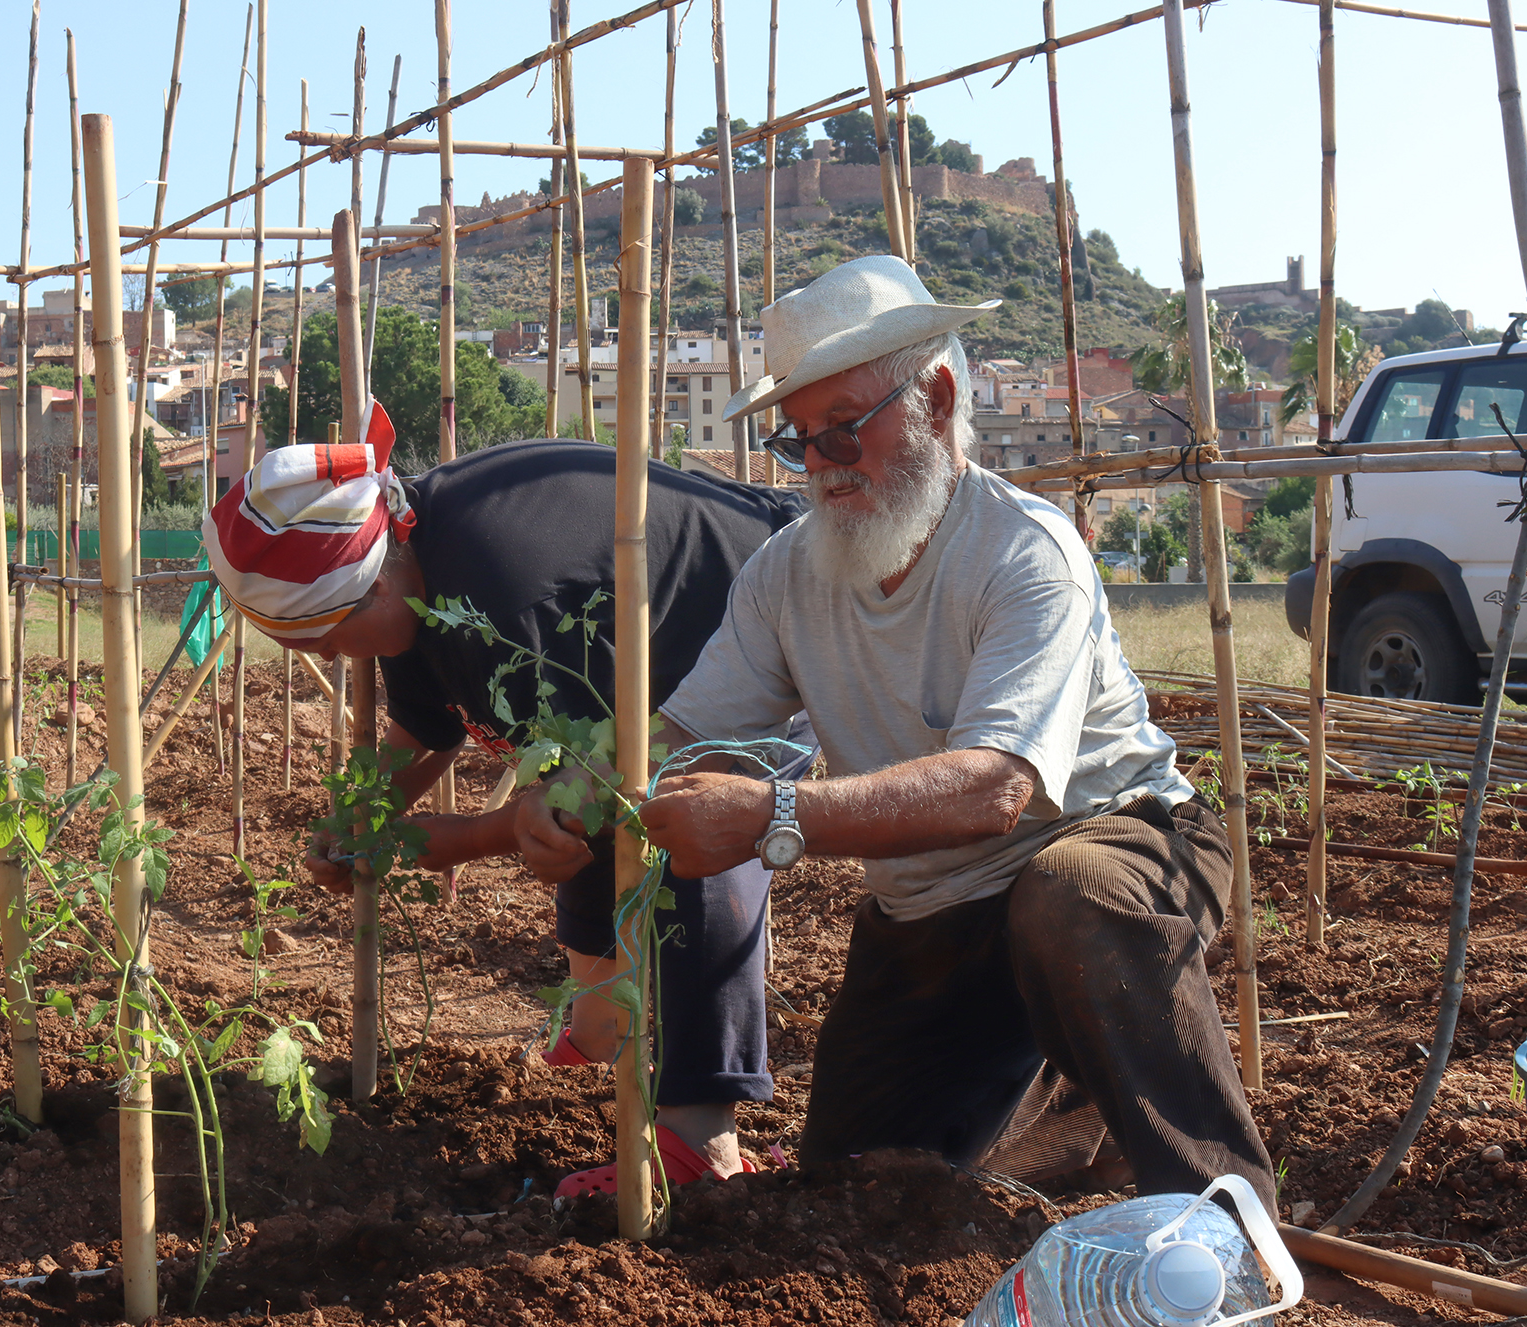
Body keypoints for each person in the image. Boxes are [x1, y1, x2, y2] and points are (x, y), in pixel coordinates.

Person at [519, 255, 1275, 1205]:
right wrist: (567, 786)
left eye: (843, 432)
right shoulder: (786, 576)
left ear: (939, 396)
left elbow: (998, 787)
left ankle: (1227, 1219)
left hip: (1110, 843)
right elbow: (681, 733)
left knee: (1068, 892)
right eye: (801, 444)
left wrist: (771, 815)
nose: (824, 467)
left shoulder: (1025, 551)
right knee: (858, 1184)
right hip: (929, 909)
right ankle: (1083, 1115)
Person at [203, 420, 809, 1193]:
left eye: (328, 639)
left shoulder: (510, 594)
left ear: (376, 581)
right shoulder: (419, 566)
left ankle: (702, 1143)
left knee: (683, 826)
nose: (332, 658)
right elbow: (428, 723)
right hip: (644, 674)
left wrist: (466, 836)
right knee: (587, 806)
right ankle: (595, 1040)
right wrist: (360, 813)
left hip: (768, 616)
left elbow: (602, 789)